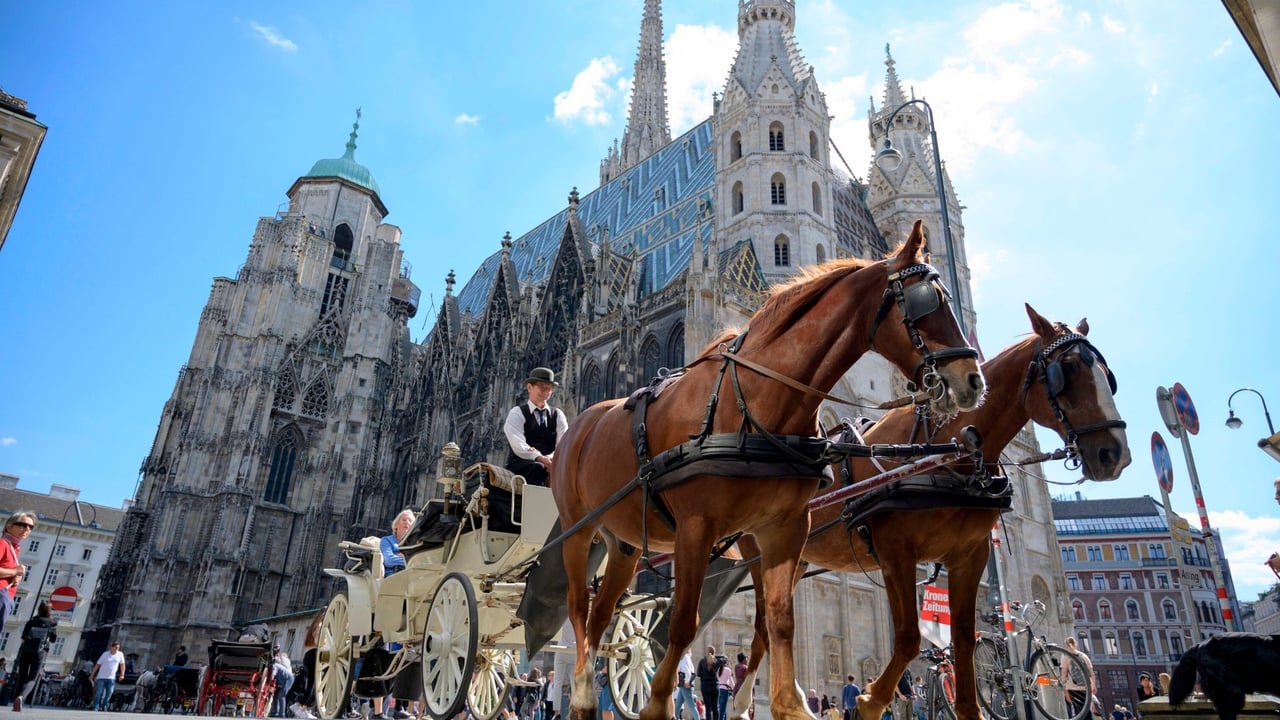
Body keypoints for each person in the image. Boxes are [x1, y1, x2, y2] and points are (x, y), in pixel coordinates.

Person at [503, 367, 568, 486]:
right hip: (522, 463)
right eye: (543, 388)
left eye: (549, 389)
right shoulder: (517, 413)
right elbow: (517, 443)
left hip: (551, 462)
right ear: (529, 387)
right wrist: (538, 457)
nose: (547, 392)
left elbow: (563, 443)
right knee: (538, 468)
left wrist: (549, 458)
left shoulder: (558, 415)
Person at [13, 600, 57, 711]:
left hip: (26, 650)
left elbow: (23, 637)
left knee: (21, 676)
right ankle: (21, 697)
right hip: (40, 652)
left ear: (39, 609)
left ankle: (15, 702)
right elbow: (53, 640)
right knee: (32, 678)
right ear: (49, 611)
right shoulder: (52, 623)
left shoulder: (32, 621)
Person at [0, 512, 34, 632]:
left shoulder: (14, 547)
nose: (27, 529)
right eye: (22, 525)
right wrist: (14, 571)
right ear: (9, 526)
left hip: (7, 595)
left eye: (31, 527)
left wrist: (14, 575)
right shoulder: (2, 544)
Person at [288, 612, 322, 719]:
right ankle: (304, 707)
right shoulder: (321, 626)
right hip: (314, 655)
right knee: (314, 686)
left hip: (308, 655)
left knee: (311, 685)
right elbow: (321, 641)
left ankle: (299, 706)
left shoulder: (313, 626)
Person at [1063, 637, 1094, 719]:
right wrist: (1093, 686)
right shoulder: (1083, 655)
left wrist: (1065, 690)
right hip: (1086, 686)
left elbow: (1064, 673)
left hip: (1073, 687)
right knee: (1086, 709)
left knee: (1079, 711)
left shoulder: (1065, 655)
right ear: (1075, 644)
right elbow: (1091, 672)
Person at [92, 640, 127, 712]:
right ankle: (96, 706)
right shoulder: (105, 654)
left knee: (110, 692)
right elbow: (98, 664)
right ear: (112, 647)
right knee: (99, 692)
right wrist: (92, 674)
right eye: (116, 647)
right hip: (101, 677)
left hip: (111, 677)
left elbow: (122, 665)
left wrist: (122, 674)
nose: (117, 649)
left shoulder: (120, 654)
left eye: (118, 648)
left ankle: (104, 705)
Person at [381, 509, 416, 575]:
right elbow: (388, 560)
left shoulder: (415, 543)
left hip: (411, 576)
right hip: (393, 576)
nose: (407, 522)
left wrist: (403, 557)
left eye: (410, 521)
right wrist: (409, 559)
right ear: (396, 525)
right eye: (404, 520)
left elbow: (420, 562)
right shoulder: (386, 540)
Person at [697, 646, 722, 720]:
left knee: (708, 707)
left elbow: (698, 673)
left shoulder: (702, 661)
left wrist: (704, 674)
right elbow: (725, 658)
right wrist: (715, 656)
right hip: (715, 685)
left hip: (705, 685)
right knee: (715, 707)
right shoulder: (717, 661)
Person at [675, 649, 700, 720]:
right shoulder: (686, 657)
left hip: (685, 684)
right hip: (683, 685)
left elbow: (687, 671)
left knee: (691, 706)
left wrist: (687, 682)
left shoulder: (684, 658)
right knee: (677, 706)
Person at [271, 646, 295, 718]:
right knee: (276, 695)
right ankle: (275, 713)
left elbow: (273, 674)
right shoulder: (279, 663)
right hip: (282, 679)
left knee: (281, 696)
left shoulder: (275, 665)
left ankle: (282, 715)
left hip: (288, 679)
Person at [715, 656, 734, 720]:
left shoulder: (718, 670)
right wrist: (734, 688)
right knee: (723, 708)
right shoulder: (727, 670)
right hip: (724, 690)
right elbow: (730, 681)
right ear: (725, 662)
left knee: (721, 707)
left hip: (718, 688)